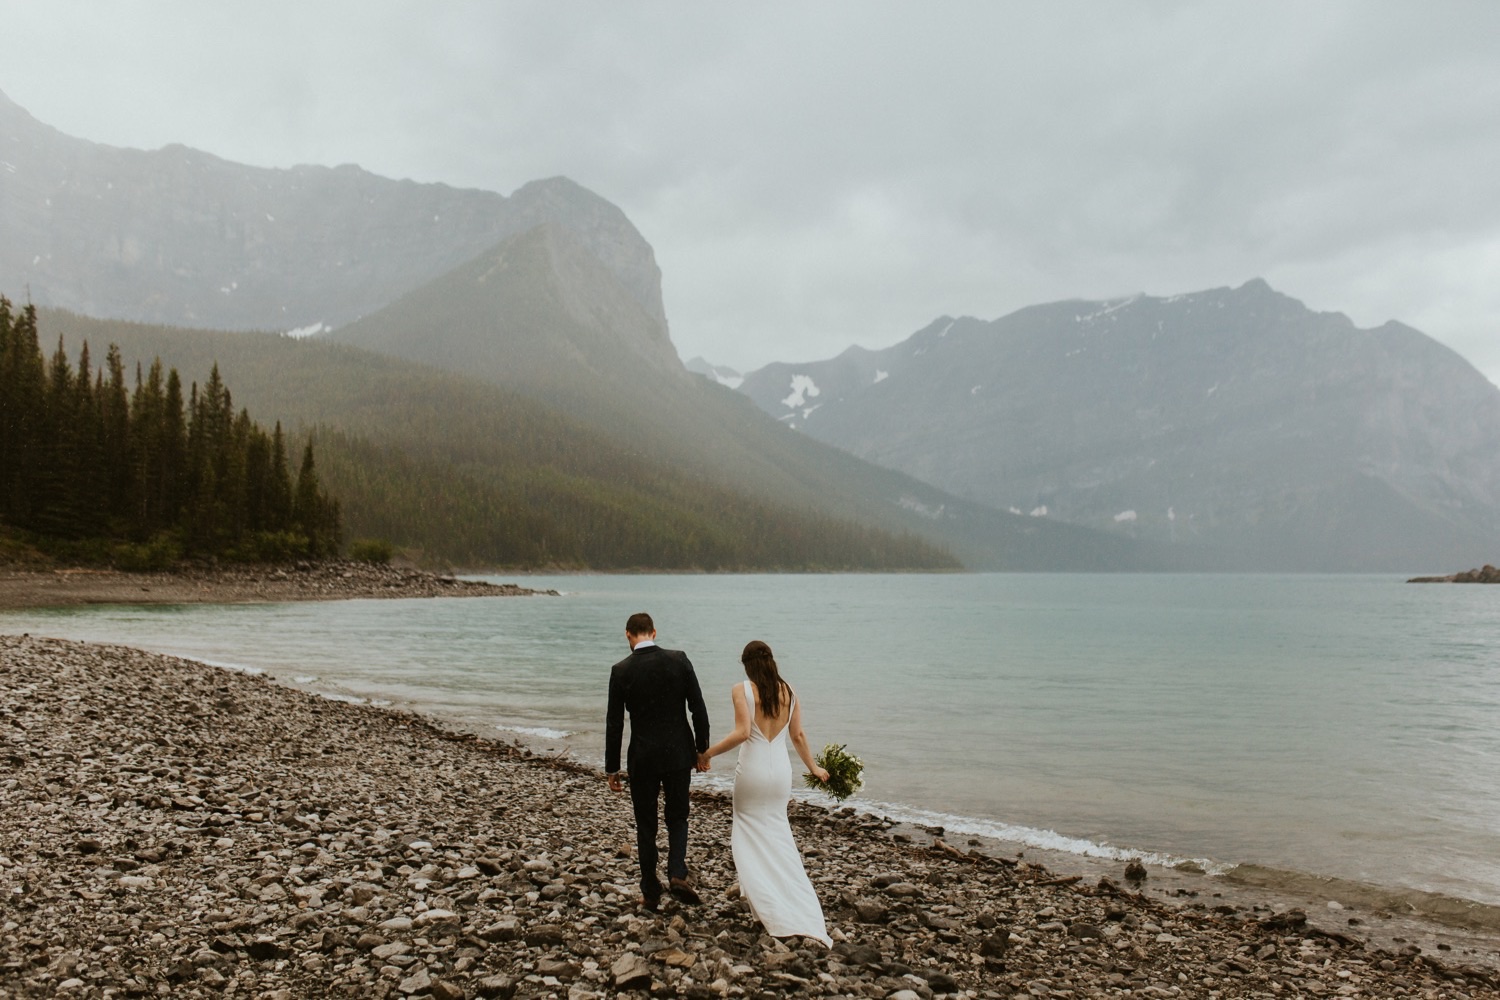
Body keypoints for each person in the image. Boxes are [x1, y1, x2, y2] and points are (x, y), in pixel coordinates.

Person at [699, 639, 833, 946]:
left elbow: (743, 733)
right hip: (780, 774)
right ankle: (800, 908)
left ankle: (770, 909)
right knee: (779, 835)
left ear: (747, 665)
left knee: (746, 836)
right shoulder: (790, 692)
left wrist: (707, 754)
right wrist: (813, 768)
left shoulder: (742, 690)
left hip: (754, 771)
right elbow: (797, 735)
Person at [605, 612, 711, 912]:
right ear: (654, 632)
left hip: (643, 758)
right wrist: (702, 748)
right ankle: (677, 872)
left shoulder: (621, 670)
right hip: (679, 753)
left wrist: (612, 768)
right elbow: (698, 707)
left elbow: (615, 724)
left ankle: (650, 891)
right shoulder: (679, 660)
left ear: (628, 635)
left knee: (646, 824)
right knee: (678, 817)